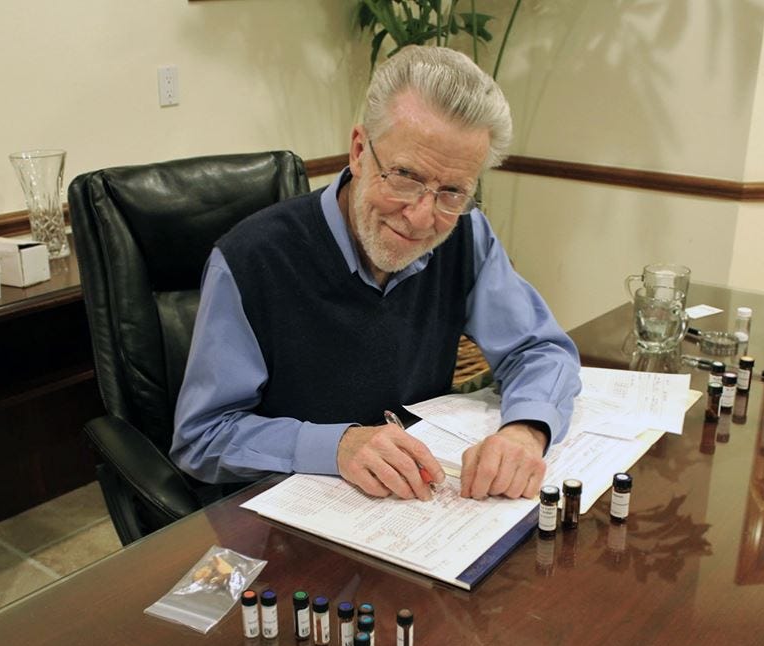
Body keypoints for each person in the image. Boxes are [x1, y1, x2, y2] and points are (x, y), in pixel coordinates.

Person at [170, 46, 581, 501]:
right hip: (283, 517)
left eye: (452, 192)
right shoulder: (250, 260)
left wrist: (525, 431)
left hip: (414, 512)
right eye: (405, 176)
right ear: (360, 151)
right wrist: (338, 446)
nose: (423, 217)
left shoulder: (466, 236)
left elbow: (539, 349)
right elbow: (203, 437)